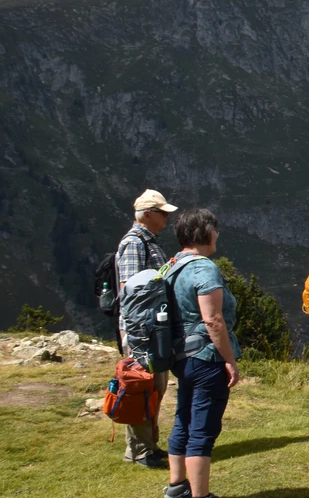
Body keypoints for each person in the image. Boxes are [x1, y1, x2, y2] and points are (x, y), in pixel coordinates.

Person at [162, 209, 241, 498]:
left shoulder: (172, 266)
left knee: (183, 417)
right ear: (204, 233)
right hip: (206, 357)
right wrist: (229, 360)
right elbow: (213, 320)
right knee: (203, 427)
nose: (217, 234)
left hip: (181, 355)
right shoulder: (203, 268)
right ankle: (201, 495)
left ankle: (177, 486)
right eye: (215, 229)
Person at [115, 189, 177, 469]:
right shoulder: (135, 243)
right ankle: (140, 450)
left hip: (151, 330)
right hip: (143, 332)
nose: (166, 217)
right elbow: (130, 291)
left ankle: (148, 445)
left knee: (155, 387)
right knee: (142, 386)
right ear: (147, 215)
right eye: (162, 212)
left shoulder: (148, 242)